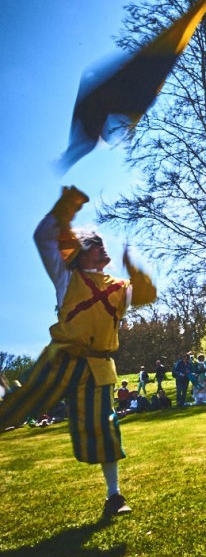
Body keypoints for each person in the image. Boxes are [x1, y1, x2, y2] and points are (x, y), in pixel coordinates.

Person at [0, 186, 156, 517]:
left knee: (104, 426)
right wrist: (69, 205)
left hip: (98, 368)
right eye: (95, 243)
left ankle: (114, 496)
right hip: (61, 359)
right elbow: (44, 236)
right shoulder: (64, 277)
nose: (102, 247)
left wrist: (136, 271)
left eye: (102, 244)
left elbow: (143, 295)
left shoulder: (118, 288)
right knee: (25, 400)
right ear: (82, 252)